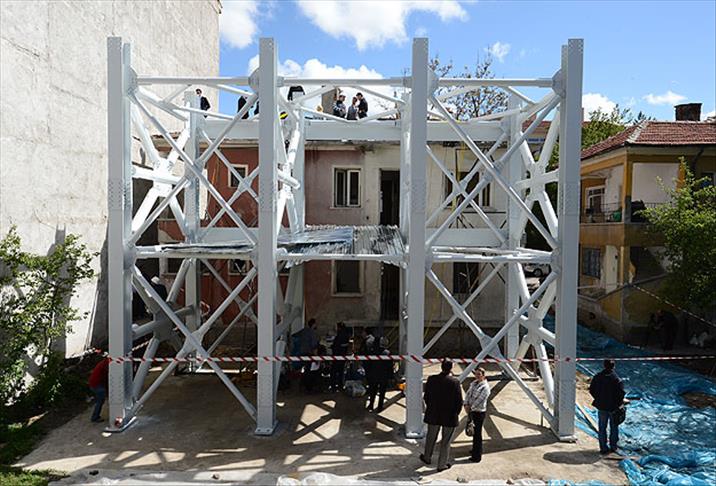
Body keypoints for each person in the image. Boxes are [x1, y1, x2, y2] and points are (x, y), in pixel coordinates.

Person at [420, 359, 463, 472]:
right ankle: (441, 464)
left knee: (431, 437)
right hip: (449, 415)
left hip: (433, 413)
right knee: (446, 441)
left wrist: (431, 408)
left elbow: (426, 397)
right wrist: (455, 413)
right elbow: (459, 401)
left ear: (441, 367)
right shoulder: (455, 382)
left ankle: (427, 457)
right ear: (451, 368)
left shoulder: (431, 379)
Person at [589, 359, 626, 454]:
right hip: (613, 408)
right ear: (613, 366)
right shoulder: (616, 379)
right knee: (614, 427)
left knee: (602, 427)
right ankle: (613, 446)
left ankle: (603, 447)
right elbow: (621, 394)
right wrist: (619, 404)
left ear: (604, 365)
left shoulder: (597, 377)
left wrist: (598, 398)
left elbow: (592, 390)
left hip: (601, 406)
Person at [463, 367, 490, 462]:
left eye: (479, 374)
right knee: (473, 432)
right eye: (476, 374)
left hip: (479, 412)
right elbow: (468, 394)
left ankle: (477, 456)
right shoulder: (473, 384)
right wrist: (466, 404)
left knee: (477, 434)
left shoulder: (485, 387)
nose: (477, 376)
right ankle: (475, 449)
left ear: (483, 376)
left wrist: (470, 408)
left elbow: (480, 400)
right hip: (472, 411)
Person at [367, 336, 392, 413]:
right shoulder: (387, 353)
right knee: (382, 392)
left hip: (374, 374)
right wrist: (391, 376)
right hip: (383, 376)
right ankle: (380, 407)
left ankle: (371, 405)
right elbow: (390, 366)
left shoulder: (373, 352)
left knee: (373, 391)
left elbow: (369, 363)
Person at [330, 322, 351, 392]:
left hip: (337, 355)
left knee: (333, 371)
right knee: (341, 371)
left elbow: (336, 345)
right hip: (343, 355)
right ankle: (340, 385)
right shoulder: (346, 334)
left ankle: (333, 386)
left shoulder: (340, 335)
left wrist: (332, 347)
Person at [88, 356, 110, 422]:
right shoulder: (106, 364)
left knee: (100, 400)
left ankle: (95, 416)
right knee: (100, 401)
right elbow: (106, 378)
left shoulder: (104, 363)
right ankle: (95, 417)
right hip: (97, 384)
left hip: (94, 383)